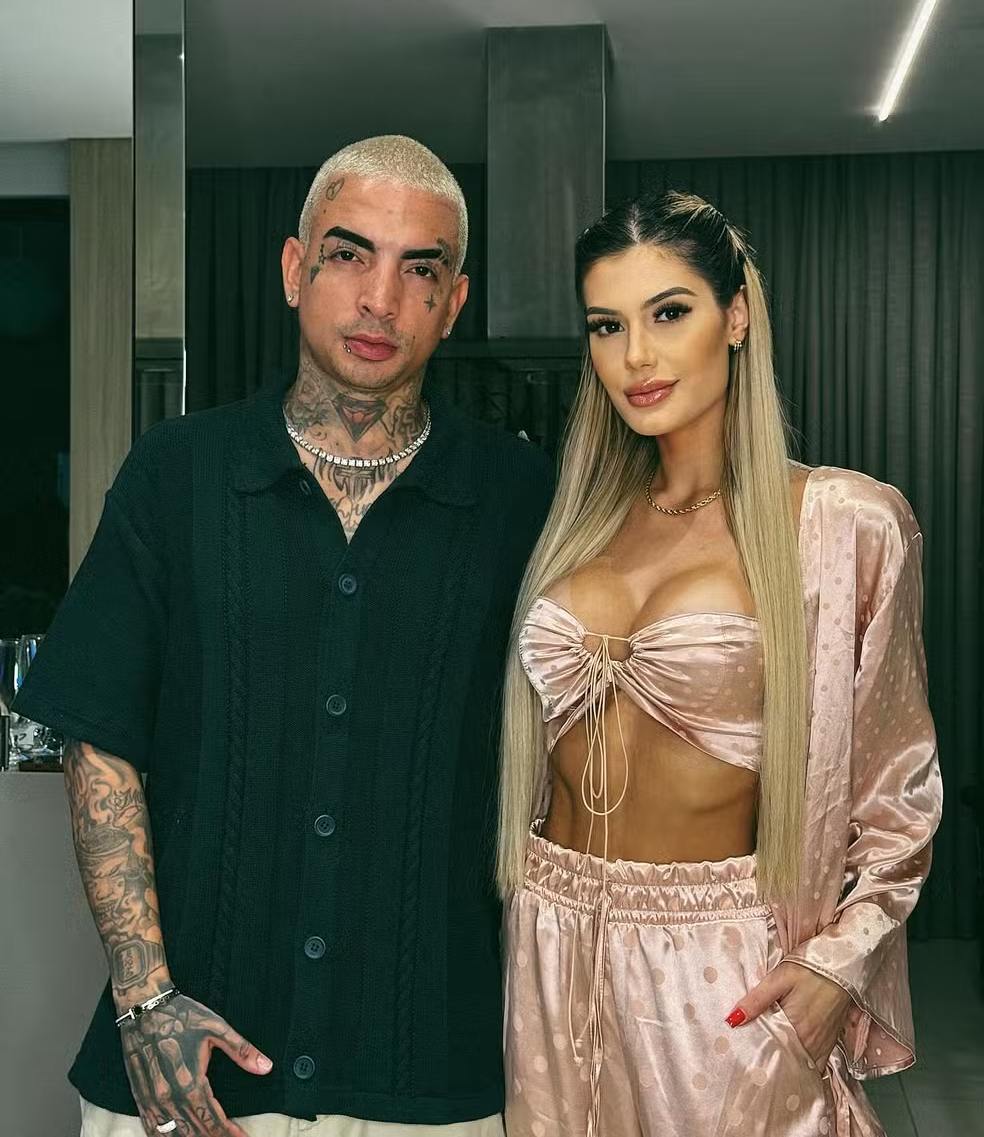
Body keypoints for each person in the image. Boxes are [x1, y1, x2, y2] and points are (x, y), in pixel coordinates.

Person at [14, 135, 554, 1137]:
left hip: (432, 1083)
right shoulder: (176, 473)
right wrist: (144, 999)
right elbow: (101, 740)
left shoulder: (523, 499)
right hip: (187, 1073)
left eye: (420, 269)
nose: (381, 299)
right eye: (350, 254)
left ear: (454, 302)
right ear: (295, 268)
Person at [497, 189, 942, 1137]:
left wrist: (836, 966)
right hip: (551, 933)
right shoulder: (575, 523)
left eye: (669, 312)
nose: (636, 356)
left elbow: (898, 798)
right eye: (607, 325)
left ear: (736, 316)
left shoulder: (842, 524)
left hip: (719, 965)